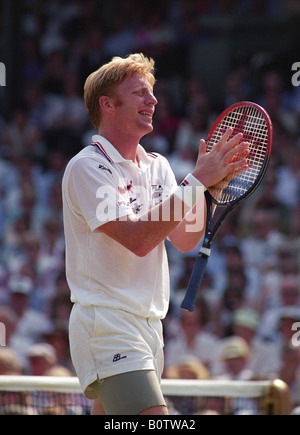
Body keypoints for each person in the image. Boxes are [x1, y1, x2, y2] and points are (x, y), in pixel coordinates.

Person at [62, 53, 249, 415]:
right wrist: (196, 181)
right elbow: (139, 240)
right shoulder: (88, 166)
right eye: (140, 94)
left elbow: (183, 240)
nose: (153, 101)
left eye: (152, 93)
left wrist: (205, 193)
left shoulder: (157, 164)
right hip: (108, 322)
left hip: (150, 327)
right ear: (108, 104)